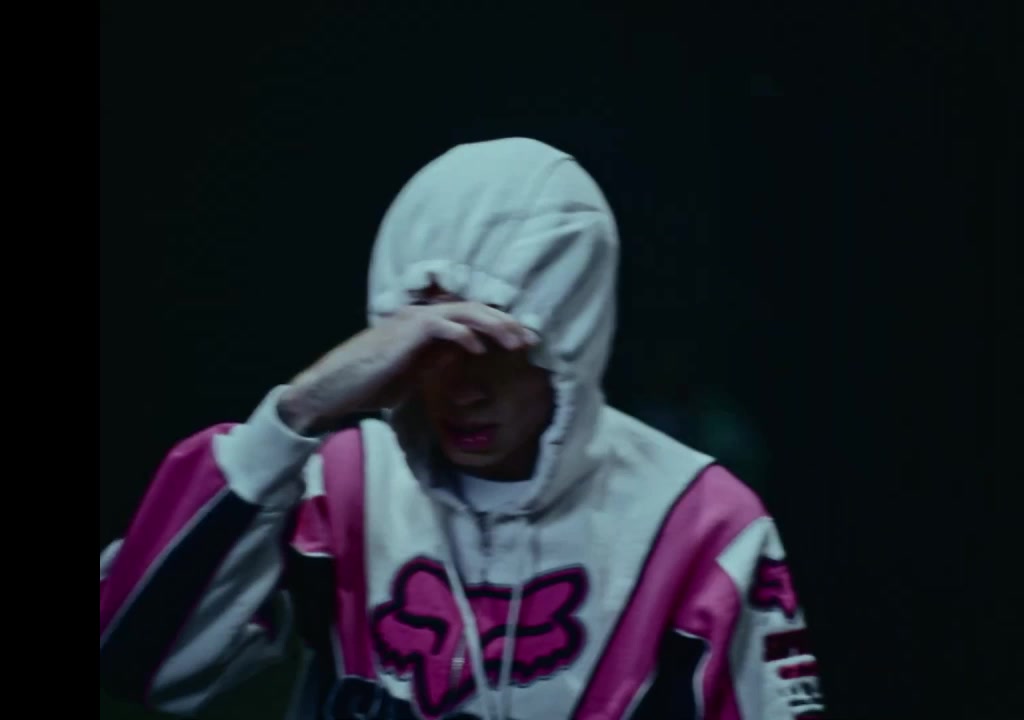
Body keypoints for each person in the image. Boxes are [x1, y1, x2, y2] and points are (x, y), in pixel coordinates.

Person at [99, 138, 824, 720]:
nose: (462, 387)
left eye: (500, 344)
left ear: (571, 341)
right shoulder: (341, 484)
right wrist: (297, 411)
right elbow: (135, 658)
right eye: (429, 342)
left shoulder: (701, 522)